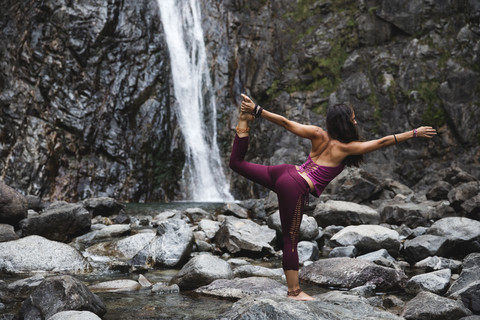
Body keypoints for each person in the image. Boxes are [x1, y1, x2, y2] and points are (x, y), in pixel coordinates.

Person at [229, 93, 437, 301]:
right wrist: (414, 133)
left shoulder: (317, 133)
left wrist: (257, 110)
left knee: (237, 163)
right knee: (290, 240)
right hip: (295, 185)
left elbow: (285, 122)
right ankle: (294, 292)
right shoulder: (346, 148)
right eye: (353, 118)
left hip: (284, 172)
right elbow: (382, 142)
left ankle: (244, 121)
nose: (355, 121)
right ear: (345, 123)